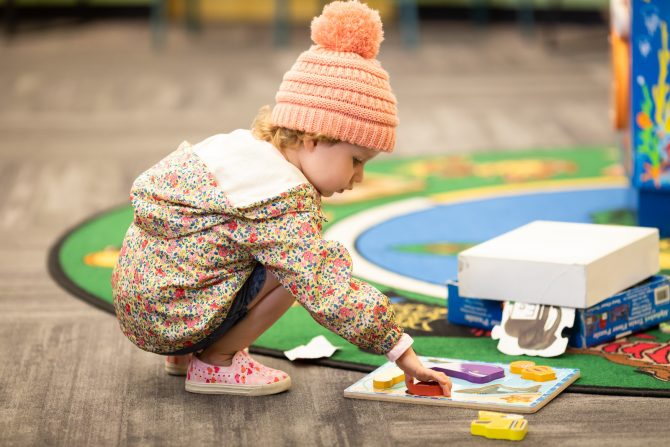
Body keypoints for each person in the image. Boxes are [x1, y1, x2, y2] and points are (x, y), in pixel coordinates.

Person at [112, 0, 452, 397]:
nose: (358, 178)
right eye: (355, 160)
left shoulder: (238, 154)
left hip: (149, 308)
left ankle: (186, 353)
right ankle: (215, 363)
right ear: (313, 138)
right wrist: (401, 351)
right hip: (173, 318)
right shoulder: (277, 198)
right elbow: (323, 285)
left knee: (262, 253)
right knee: (299, 269)